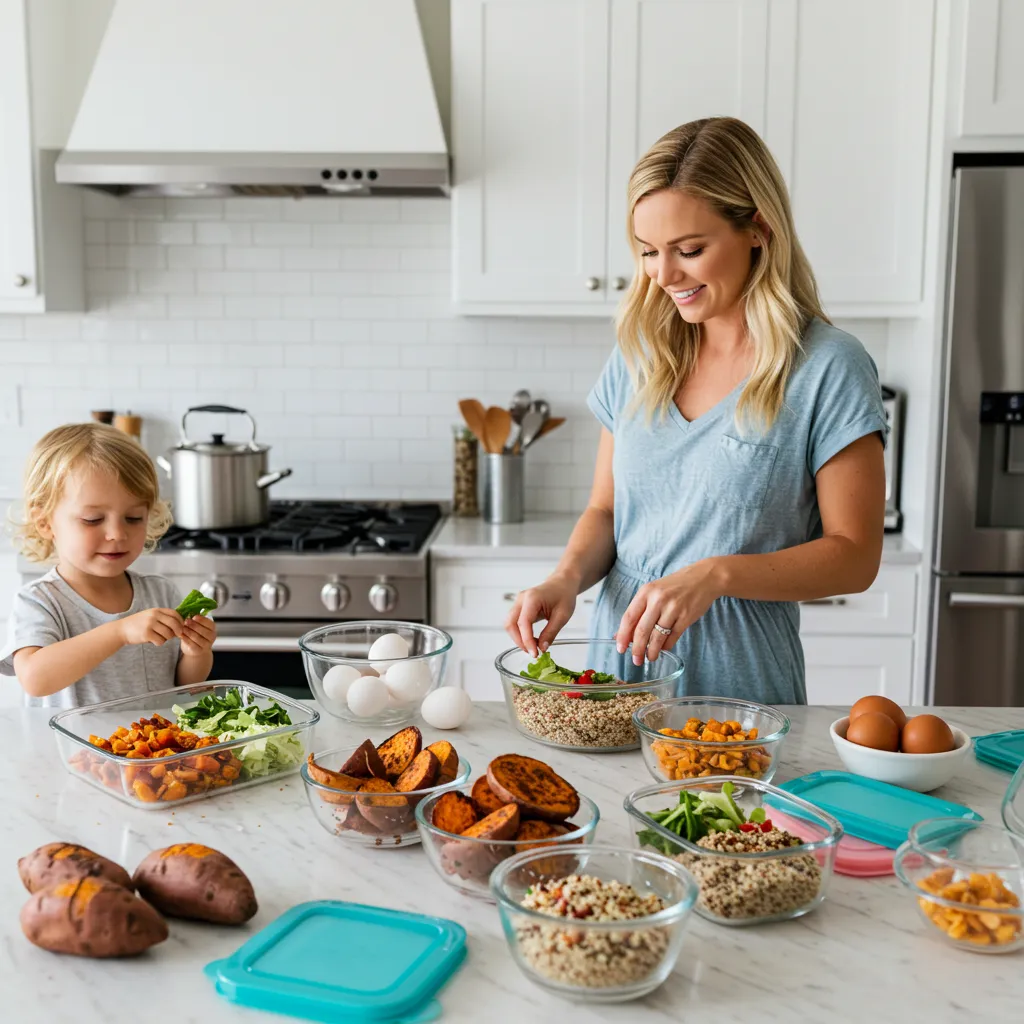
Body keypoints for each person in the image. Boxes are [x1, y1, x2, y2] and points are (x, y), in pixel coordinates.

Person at [505, 117, 887, 705]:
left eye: (689, 250)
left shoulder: (828, 367)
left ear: (758, 229)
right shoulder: (639, 354)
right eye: (649, 253)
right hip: (620, 664)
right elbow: (606, 510)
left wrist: (718, 574)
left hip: (741, 680)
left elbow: (855, 557)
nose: (664, 276)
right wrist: (566, 579)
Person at [0, 423, 216, 708]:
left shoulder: (160, 593)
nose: (117, 533)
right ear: (45, 523)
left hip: (153, 751)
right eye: (92, 520)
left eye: (134, 518)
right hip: (71, 753)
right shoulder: (40, 601)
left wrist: (196, 654)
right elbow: (35, 679)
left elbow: (184, 686)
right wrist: (120, 632)